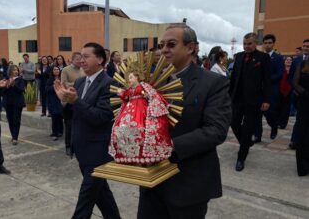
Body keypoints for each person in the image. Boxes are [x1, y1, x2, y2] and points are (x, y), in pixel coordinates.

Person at [137, 23, 231, 219]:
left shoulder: (213, 83)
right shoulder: (154, 82)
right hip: (152, 181)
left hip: (188, 183)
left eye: (171, 44)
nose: (164, 50)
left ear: (190, 48)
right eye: (162, 45)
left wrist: (169, 146)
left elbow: (216, 130)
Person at [54, 42, 121, 219]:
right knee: (101, 194)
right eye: (80, 57)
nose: (81, 60)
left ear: (100, 59)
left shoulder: (110, 84)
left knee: (86, 198)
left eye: (86, 56)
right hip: (81, 147)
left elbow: (101, 117)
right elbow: (73, 114)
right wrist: (65, 100)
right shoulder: (80, 81)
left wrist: (76, 101)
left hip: (97, 151)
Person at [109, 69, 173, 164]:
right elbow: (126, 97)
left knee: (141, 127)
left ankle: (144, 153)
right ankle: (128, 154)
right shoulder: (130, 90)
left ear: (137, 77)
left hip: (141, 108)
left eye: (131, 77)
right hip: (129, 109)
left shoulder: (143, 86)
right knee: (122, 127)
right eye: (128, 78)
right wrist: (121, 92)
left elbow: (152, 94)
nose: (129, 80)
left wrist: (146, 95)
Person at [230, 33, 271, 172]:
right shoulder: (239, 56)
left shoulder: (263, 58)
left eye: (249, 44)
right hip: (237, 98)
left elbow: (267, 80)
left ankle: (241, 158)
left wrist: (266, 99)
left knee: (247, 129)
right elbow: (234, 77)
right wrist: (229, 96)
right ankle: (246, 143)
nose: (246, 46)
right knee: (234, 123)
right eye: (245, 44)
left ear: (255, 44)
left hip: (254, 100)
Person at [252, 34, 284, 143]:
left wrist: (266, 80)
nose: (267, 45)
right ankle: (257, 135)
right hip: (258, 90)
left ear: (273, 44)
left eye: (269, 43)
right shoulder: (259, 56)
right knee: (257, 114)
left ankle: (274, 127)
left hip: (271, 91)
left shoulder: (278, 58)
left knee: (269, 113)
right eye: (265, 43)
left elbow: (279, 74)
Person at [60, 52, 84, 156]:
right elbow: (64, 83)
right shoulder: (66, 70)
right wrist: (78, 83)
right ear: (73, 59)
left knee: (79, 125)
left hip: (79, 100)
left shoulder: (83, 70)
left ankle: (77, 145)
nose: (81, 61)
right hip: (69, 101)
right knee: (69, 125)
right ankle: (68, 146)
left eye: (82, 59)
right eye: (79, 59)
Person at [288, 39, 309, 149]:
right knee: (299, 120)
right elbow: (291, 76)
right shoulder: (297, 60)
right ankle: (294, 140)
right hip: (298, 94)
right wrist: (295, 89)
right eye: (304, 46)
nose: (305, 48)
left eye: (308, 46)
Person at [293, 59, 309, 176]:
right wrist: (304, 93)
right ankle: (302, 167)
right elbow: (295, 82)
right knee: (302, 134)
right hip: (304, 102)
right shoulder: (303, 64)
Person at [4, 65, 25, 145]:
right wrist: (7, 86)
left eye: (17, 70)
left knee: (16, 120)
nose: (16, 71)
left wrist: (14, 85)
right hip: (8, 103)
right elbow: (2, 92)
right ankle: (13, 136)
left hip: (17, 103)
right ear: (10, 71)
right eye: (14, 70)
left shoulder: (20, 79)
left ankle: (15, 137)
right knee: (10, 120)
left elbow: (21, 90)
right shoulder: (6, 79)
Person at [45, 66, 63, 141]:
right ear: (52, 71)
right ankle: (54, 133)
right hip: (53, 100)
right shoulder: (50, 80)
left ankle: (60, 131)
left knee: (60, 116)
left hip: (61, 100)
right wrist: (54, 86)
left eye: (57, 69)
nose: (56, 71)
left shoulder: (62, 78)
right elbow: (47, 89)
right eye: (54, 69)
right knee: (54, 117)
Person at [277, 57, 293, 130]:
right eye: (287, 60)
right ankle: (278, 122)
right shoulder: (281, 69)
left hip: (290, 92)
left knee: (286, 109)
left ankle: (283, 124)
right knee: (279, 107)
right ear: (284, 61)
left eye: (290, 60)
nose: (288, 61)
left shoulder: (294, 70)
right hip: (279, 90)